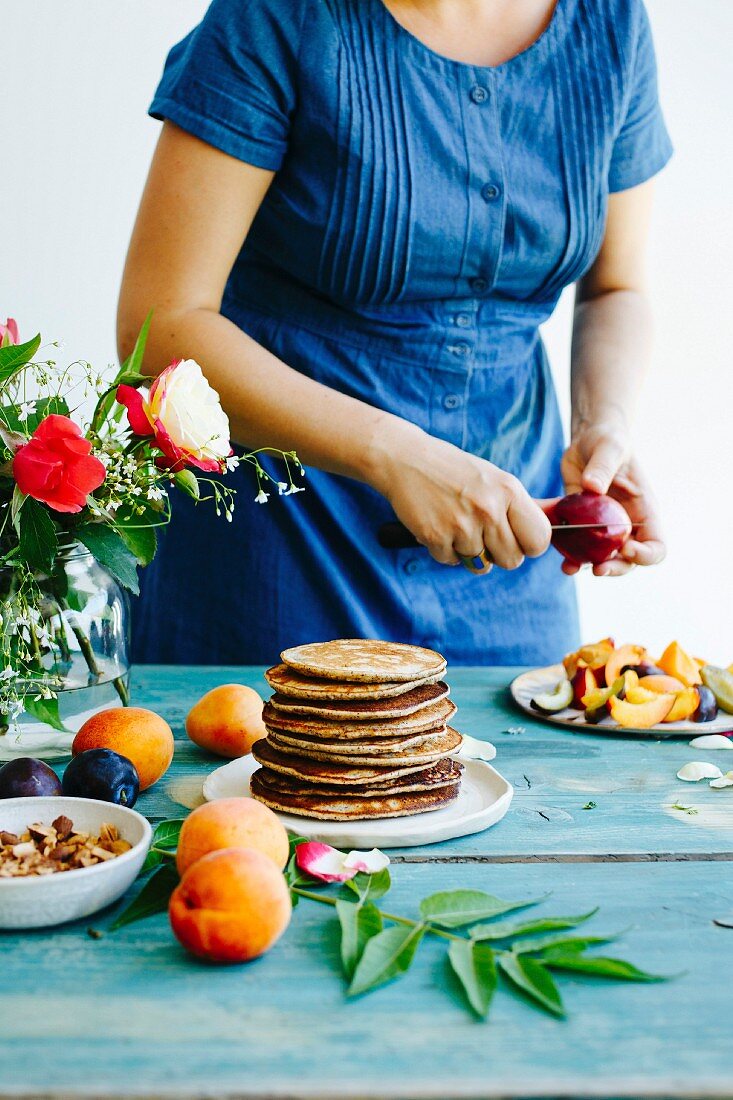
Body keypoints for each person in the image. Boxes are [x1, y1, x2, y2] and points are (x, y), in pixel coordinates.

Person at [118, 0, 672, 666]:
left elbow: (617, 289)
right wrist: (396, 454)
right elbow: (159, 330)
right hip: (279, 549)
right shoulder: (272, 17)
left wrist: (601, 424)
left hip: (509, 546)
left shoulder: (610, 22)